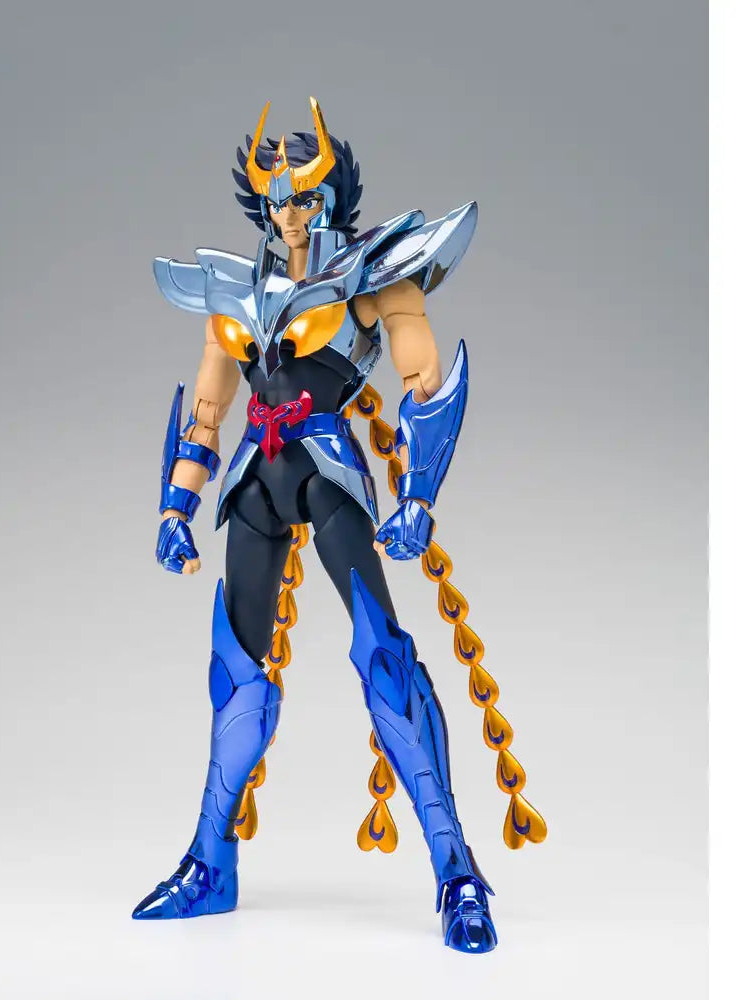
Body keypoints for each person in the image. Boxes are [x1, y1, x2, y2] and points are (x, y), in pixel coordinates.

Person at [133, 97, 497, 953]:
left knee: (384, 657)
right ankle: (210, 863)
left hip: (330, 476)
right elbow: (208, 411)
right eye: (276, 200)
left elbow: (423, 380)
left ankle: (457, 871)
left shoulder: (370, 279)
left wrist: (417, 497)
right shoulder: (235, 294)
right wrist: (178, 506)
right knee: (235, 674)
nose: (289, 215)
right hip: (254, 485)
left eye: (304, 197)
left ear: (331, 196)